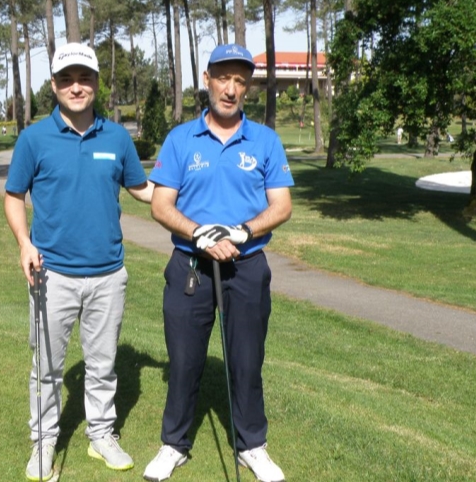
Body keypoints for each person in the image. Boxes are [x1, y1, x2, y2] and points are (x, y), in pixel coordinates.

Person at [143, 44, 293, 482]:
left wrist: (244, 230)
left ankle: (252, 446)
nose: (230, 89)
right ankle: (174, 444)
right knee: (185, 360)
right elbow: (161, 204)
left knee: (247, 361)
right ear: (207, 78)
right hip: (189, 266)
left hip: (246, 266)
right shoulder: (180, 139)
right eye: (223, 78)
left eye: (240, 81)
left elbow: (281, 205)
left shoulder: (265, 140)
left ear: (247, 86)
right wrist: (199, 232)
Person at [4, 42, 153, 482]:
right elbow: (14, 197)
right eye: (66, 79)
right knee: (46, 367)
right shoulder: (34, 138)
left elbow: (142, 190)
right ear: (54, 85)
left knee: (103, 365)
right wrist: (23, 243)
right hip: (53, 275)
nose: (76, 87)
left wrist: (186, 191)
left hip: (109, 273)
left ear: (96, 83)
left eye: (84, 78)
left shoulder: (117, 137)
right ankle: (44, 442)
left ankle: (101, 435)